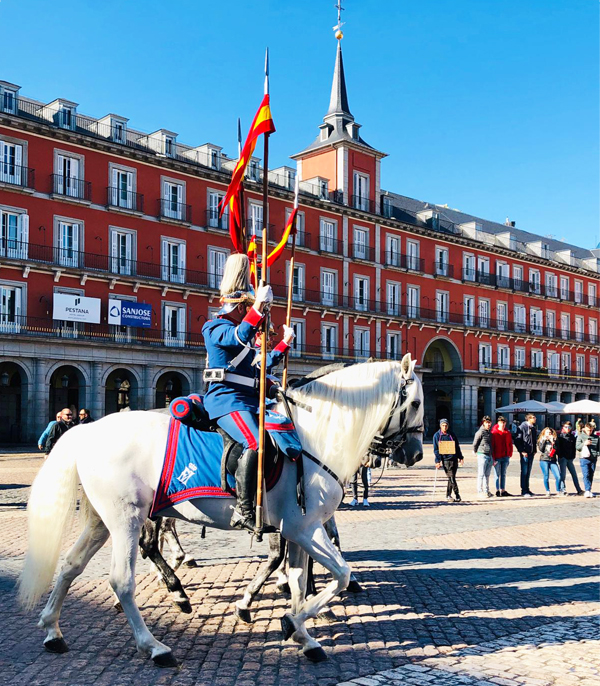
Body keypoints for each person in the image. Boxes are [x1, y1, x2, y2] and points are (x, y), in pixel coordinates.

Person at [201, 254, 295, 533]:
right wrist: (258, 307)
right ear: (237, 307)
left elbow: (260, 365)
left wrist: (285, 343)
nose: (250, 314)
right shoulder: (215, 327)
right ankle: (243, 510)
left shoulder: (244, 330)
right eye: (246, 308)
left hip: (251, 401)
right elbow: (237, 338)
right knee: (255, 442)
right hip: (226, 401)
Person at [433, 419, 463, 502]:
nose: (444, 427)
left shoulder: (451, 434)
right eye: (443, 425)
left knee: (451, 478)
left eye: (446, 425)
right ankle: (457, 494)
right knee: (451, 477)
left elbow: (457, 446)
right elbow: (436, 450)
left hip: (454, 458)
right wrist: (437, 461)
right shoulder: (437, 436)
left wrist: (460, 457)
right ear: (440, 426)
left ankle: (448, 495)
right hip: (445, 460)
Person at [514, 413, 538, 497]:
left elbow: (534, 440)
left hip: (531, 453)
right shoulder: (522, 427)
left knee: (528, 471)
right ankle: (524, 490)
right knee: (524, 471)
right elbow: (517, 440)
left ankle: (527, 489)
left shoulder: (533, 428)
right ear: (529, 419)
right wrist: (521, 451)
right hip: (525, 453)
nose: (535, 419)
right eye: (533, 417)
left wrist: (534, 450)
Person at [556, 421, 583, 496]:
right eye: (566, 427)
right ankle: (562, 489)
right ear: (563, 427)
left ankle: (579, 490)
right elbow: (558, 448)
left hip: (570, 458)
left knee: (574, 474)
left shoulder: (572, 437)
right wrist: (561, 455)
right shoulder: (560, 437)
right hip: (563, 458)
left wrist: (573, 456)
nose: (568, 428)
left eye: (569, 427)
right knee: (563, 475)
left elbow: (574, 448)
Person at [491, 416, 513, 496]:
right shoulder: (494, 433)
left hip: (505, 456)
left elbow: (510, 443)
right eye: (501, 423)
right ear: (498, 423)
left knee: (503, 473)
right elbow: (492, 446)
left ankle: (503, 490)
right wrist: (493, 458)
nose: (503, 424)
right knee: (497, 474)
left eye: (504, 423)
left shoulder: (507, 433)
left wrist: (510, 453)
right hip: (497, 456)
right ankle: (497, 490)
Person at [473, 416, 494, 499]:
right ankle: (479, 490)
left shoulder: (489, 432)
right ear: (483, 423)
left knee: (487, 474)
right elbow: (475, 442)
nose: (488, 424)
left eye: (489, 422)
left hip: (489, 454)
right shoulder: (480, 432)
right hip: (482, 454)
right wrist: (474, 451)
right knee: (481, 474)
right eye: (486, 422)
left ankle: (486, 490)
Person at [576, 423, 599, 498]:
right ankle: (587, 490)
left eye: (591, 430)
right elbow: (577, 447)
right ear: (585, 429)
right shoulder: (580, 436)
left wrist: (597, 454)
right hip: (584, 458)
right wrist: (584, 444)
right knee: (586, 474)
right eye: (589, 430)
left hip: (593, 458)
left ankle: (589, 490)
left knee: (591, 474)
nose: (590, 432)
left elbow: (598, 447)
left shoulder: (596, 437)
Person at [537, 427, 561, 496]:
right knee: (546, 476)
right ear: (544, 433)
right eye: (547, 432)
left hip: (553, 460)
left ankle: (558, 490)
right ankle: (547, 491)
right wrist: (545, 441)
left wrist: (553, 442)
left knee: (558, 476)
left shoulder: (554, 440)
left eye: (550, 433)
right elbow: (541, 449)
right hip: (544, 460)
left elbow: (557, 450)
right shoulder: (541, 440)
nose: (549, 434)